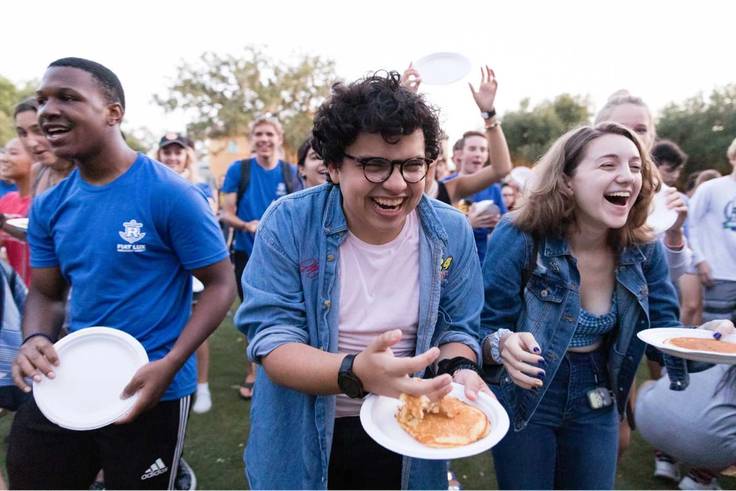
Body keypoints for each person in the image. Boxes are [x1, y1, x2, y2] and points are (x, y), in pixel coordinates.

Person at [236, 71, 488, 489]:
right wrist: (356, 372)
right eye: (373, 165)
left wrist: (459, 369)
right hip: (305, 432)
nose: (395, 184)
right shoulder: (289, 222)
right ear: (333, 165)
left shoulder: (450, 231)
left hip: (408, 427)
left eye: (412, 166)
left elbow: (458, 327)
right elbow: (272, 340)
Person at [7, 57, 236, 490]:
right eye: (43, 100)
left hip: (153, 386)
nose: (47, 110)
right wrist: (35, 338)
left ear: (114, 112)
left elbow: (221, 283)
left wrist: (172, 362)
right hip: (72, 377)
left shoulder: (170, 193)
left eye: (67, 97)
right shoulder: (51, 205)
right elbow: (47, 293)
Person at [480, 122, 734, 489]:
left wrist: (712, 341)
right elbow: (484, 326)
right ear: (567, 180)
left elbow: (663, 335)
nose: (628, 177)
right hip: (527, 394)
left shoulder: (643, 248)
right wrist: (501, 344)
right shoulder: (521, 234)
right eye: (608, 164)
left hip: (597, 394)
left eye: (635, 166)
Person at [219, 115, 300, 400]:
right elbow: (226, 213)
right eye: (259, 134)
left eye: (269, 134)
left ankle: (290, 366)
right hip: (247, 253)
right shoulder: (238, 170)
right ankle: (253, 372)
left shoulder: (291, 173)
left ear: (279, 139)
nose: (264, 139)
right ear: (252, 139)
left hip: (285, 259)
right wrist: (246, 225)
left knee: (286, 312)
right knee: (253, 314)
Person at [157, 132, 215, 415]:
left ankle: (201, 385)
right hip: (164, 275)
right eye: (166, 152)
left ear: (186, 156)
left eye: (177, 152)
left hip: (193, 273)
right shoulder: (151, 187)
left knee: (196, 329)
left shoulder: (200, 188)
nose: (172, 157)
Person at [635, 365, 736, 490]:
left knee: (653, 385)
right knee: (719, 421)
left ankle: (665, 457)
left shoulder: (705, 346)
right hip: (708, 443)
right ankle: (701, 477)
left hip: (649, 421)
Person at [689, 137, 736, 324]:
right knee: (717, 333)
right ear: (733, 158)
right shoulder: (711, 188)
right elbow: (690, 224)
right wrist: (700, 260)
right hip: (720, 274)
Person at [13, 97, 75, 196]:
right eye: (23, 133)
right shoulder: (37, 172)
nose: (31, 143)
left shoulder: (91, 173)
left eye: (38, 130)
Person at [0, 138, 34, 284]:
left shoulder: (43, 203)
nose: (4, 159)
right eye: (4, 153)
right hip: (15, 295)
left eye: (13, 153)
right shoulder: (7, 200)